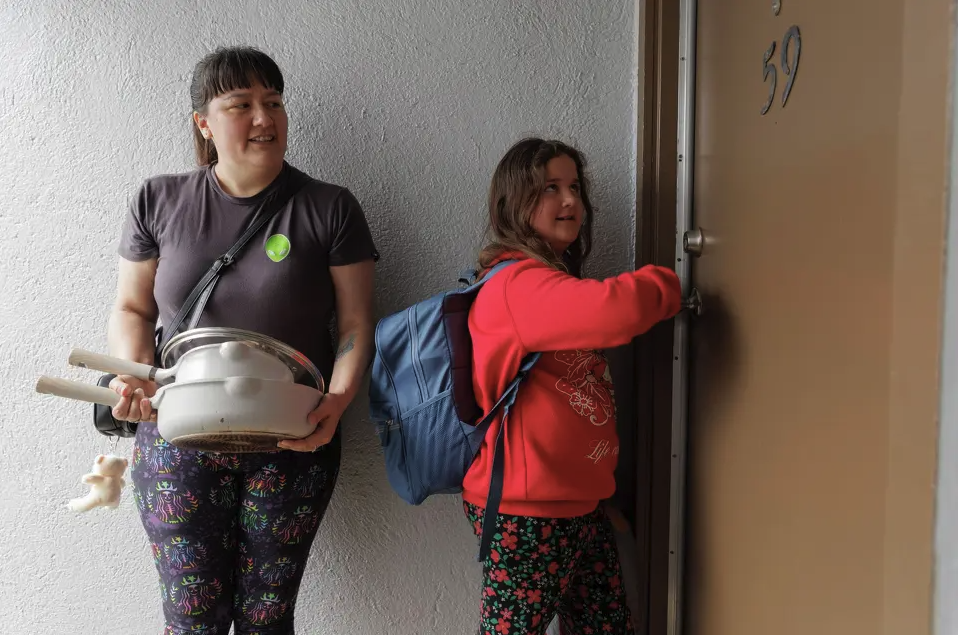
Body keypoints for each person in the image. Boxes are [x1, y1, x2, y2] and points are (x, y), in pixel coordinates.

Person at [106, 46, 378, 634]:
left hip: (293, 439)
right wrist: (134, 375)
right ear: (204, 122)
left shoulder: (330, 207)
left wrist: (337, 402)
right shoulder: (158, 200)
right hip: (178, 434)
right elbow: (132, 307)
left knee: (267, 620)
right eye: (241, 104)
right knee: (192, 620)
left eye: (273, 102)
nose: (264, 118)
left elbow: (356, 324)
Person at [463, 138, 682, 634]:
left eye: (575, 188)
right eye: (550, 188)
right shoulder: (518, 284)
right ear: (514, 203)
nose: (569, 201)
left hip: (576, 503)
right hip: (528, 512)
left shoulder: (547, 279)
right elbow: (617, 310)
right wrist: (671, 283)